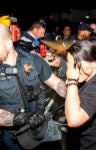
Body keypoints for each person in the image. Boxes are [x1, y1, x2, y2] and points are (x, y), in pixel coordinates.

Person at [0, 22, 66, 150]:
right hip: (12, 137)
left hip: (39, 132)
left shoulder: (33, 60)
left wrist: (76, 95)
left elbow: (56, 83)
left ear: (8, 44)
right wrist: (25, 118)